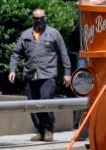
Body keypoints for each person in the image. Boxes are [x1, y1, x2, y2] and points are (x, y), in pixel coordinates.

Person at [8, 8, 71, 142]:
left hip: (48, 75)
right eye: (36, 18)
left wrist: (67, 73)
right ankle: (39, 130)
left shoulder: (54, 33)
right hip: (31, 75)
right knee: (32, 103)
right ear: (33, 19)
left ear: (45, 18)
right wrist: (12, 70)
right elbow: (16, 53)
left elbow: (63, 53)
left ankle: (49, 129)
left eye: (41, 18)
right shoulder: (25, 35)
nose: (39, 20)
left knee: (45, 99)